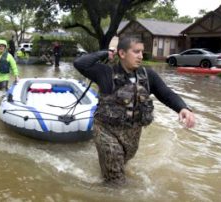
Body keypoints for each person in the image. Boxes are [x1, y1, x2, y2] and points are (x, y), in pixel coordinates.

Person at [73, 36, 195, 186]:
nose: (141, 56)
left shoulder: (148, 75)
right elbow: (80, 63)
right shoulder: (105, 72)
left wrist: (183, 108)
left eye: (142, 52)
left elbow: (166, 93)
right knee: (116, 182)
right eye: (136, 51)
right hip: (106, 131)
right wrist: (105, 53)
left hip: (132, 136)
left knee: (118, 166)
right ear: (122, 54)